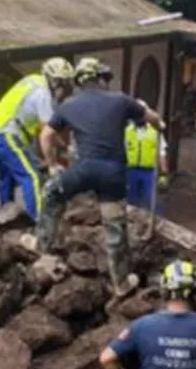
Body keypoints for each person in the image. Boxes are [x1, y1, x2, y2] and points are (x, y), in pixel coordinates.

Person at [38, 58, 164, 300]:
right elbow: (153, 118)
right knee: (115, 229)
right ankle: (121, 283)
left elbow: (46, 135)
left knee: (52, 194)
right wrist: (159, 125)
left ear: (79, 82)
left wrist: (53, 164)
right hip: (113, 175)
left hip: (83, 171)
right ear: (100, 79)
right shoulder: (122, 100)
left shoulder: (68, 105)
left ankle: (42, 246)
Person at [0, 57, 75, 220]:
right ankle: (40, 221)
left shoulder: (33, 80)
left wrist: (64, 147)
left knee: (8, 174)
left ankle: (6, 212)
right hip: (5, 133)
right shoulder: (43, 94)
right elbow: (46, 134)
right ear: (54, 81)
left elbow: (43, 129)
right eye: (63, 83)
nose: (66, 88)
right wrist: (52, 163)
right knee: (32, 176)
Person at [125, 100, 168, 214]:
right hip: (131, 171)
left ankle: (156, 225)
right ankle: (132, 227)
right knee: (131, 202)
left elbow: (161, 152)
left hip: (149, 172)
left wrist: (163, 174)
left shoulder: (155, 131)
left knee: (152, 200)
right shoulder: (127, 131)